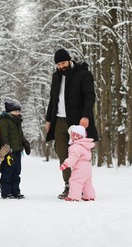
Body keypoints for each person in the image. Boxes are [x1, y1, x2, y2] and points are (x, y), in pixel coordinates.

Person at [45, 48, 99, 199]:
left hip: (77, 123)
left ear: (69, 60)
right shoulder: (56, 77)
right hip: (59, 121)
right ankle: (69, 185)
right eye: (58, 64)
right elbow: (53, 100)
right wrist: (48, 119)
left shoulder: (83, 74)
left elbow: (90, 97)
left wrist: (86, 116)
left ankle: (81, 185)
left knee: (79, 155)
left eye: (63, 63)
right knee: (63, 154)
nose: (61, 67)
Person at [0, 100, 31, 199]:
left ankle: (16, 191)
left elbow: (20, 134)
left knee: (16, 171)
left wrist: (25, 142)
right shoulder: (3, 120)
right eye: (15, 111)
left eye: (19, 111)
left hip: (17, 151)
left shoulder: (17, 121)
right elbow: (4, 137)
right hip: (8, 152)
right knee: (8, 171)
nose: (18, 113)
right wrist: (8, 150)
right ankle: (6, 191)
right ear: (9, 111)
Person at [60, 125, 96, 201]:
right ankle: (89, 196)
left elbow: (73, 158)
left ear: (74, 136)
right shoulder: (85, 145)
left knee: (75, 181)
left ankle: (73, 197)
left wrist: (65, 164)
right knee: (87, 182)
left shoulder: (75, 147)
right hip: (88, 167)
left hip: (80, 168)